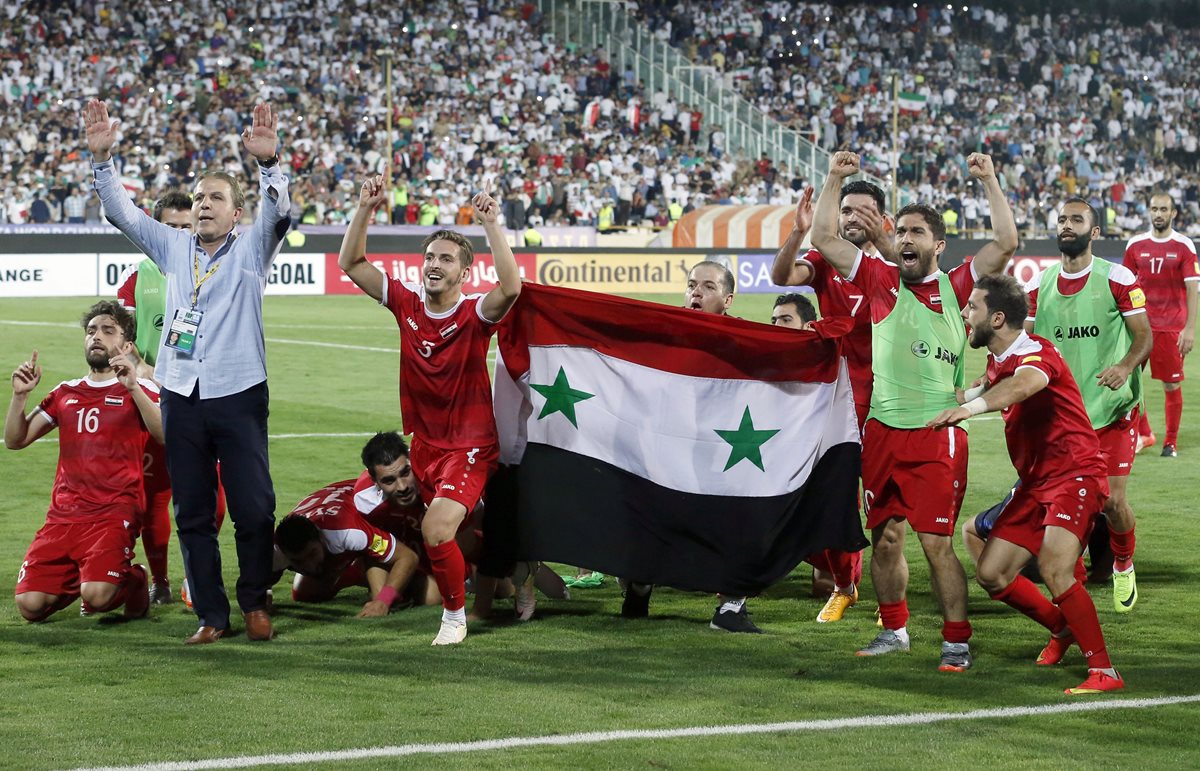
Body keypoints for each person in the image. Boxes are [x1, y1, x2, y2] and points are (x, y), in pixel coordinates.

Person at [85, 99, 291, 644]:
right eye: (198, 197)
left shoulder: (252, 248)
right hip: (181, 394)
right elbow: (121, 214)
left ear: (236, 212)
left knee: (253, 507)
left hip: (239, 392)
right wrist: (103, 161)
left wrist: (270, 166)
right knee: (193, 511)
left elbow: (280, 213)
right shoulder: (174, 247)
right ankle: (211, 615)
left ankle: (254, 601)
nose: (202, 205)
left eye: (215, 198)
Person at [810, 151, 1018, 671]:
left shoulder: (957, 287)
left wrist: (990, 180)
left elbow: (1007, 243)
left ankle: (955, 641)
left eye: (917, 232)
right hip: (882, 431)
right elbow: (823, 240)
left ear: (938, 245)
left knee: (935, 544)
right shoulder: (879, 281)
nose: (905, 239)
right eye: (900, 231)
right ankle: (895, 629)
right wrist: (834, 179)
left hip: (936, 433)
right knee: (884, 539)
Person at [338, 173, 521, 646]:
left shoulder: (475, 315)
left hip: (471, 447)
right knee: (454, 533)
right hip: (426, 446)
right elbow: (351, 261)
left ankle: (455, 619)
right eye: (429, 257)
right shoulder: (406, 304)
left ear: (463, 272)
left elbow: (513, 287)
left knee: (436, 528)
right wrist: (365, 207)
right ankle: (509, 577)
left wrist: (491, 226)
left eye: (445, 259)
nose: (433, 264)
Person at [928, 274, 1124, 695]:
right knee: (993, 574)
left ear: (997, 318)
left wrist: (972, 410)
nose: (965, 314)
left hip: (1075, 472)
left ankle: (1104, 671)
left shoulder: (1035, 353)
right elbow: (975, 389)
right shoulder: (999, 359)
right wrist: (929, 394)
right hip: (1036, 481)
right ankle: (1062, 628)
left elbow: (1025, 385)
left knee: (1055, 568)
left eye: (972, 308)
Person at [1027, 197, 1152, 613]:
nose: (1066, 225)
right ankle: (1071, 584)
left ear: (1094, 232)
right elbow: (1022, 344)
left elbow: (1143, 336)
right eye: (1062, 219)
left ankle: (1122, 562)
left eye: (1076, 220)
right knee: (1063, 505)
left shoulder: (1117, 277)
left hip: (1111, 411)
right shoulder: (1040, 285)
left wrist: (1125, 365)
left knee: (1113, 503)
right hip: (1062, 420)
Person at [771, 181, 888, 622]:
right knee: (832, 493)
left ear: (882, 219)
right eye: (846, 211)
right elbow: (782, 277)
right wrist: (799, 233)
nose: (853, 218)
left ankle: (890, 601)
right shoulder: (824, 263)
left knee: (882, 502)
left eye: (863, 211)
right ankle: (844, 586)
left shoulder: (895, 266)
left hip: (890, 399)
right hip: (837, 398)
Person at [622, 261, 762, 633]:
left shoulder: (744, 338)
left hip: (721, 449)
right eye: (691, 285)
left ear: (728, 299)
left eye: (708, 287)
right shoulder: (663, 330)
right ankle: (638, 586)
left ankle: (731, 607)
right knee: (653, 519)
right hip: (666, 445)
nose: (696, 292)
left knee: (734, 521)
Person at [6, 301, 162, 622]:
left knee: (99, 598)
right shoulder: (65, 392)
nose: (97, 337)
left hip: (113, 513)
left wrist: (132, 386)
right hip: (63, 517)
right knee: (30, 606)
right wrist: (19, 397)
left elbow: (165, 435)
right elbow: (15, 440)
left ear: (127, 344)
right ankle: (90, 574)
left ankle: (132, 579)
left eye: (108, 330)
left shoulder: (140, 388)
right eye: (91, 331)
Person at [114, 191, 223, 605]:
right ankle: (159, 578)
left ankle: (197, 575)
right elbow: (118, 332)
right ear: (157, 229)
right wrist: (138, 365)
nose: (180, 233)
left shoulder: (213, 269)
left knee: (212, 496)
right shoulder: (137, 274)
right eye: (171, 227)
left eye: (185, 225)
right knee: (158, 493)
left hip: (202, 394)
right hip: (150, 394)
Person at [1122, 192, 1198, 457]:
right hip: (1140, 326)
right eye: (1154, 209)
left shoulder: (1184, 246)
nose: (1158, 214)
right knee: (1130, 381)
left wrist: (1189, 329)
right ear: (1149, 211)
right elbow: (1126, 287)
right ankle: (1144, 434)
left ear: (1173, 213)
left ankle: (1171, 442)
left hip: (1170, 328)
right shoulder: (1135, 245)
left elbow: (1192, 290)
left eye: (1163, 209)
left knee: (1170, 384)